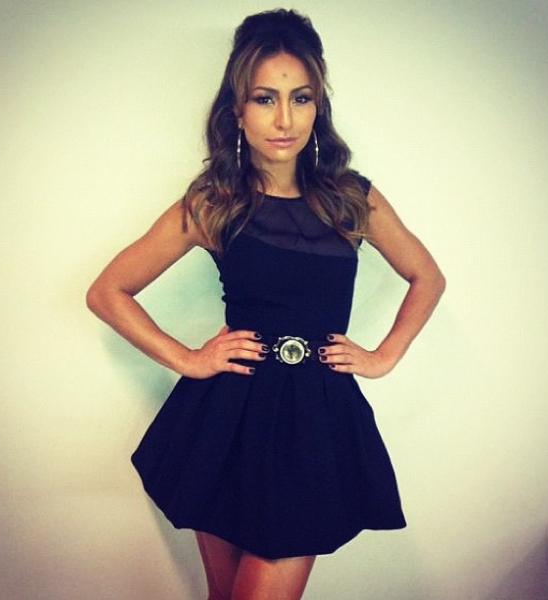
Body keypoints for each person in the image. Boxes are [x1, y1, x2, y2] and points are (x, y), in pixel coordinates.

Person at [87, 8, 445, 600]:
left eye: (301, 98)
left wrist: (384, 356)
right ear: (237, 110)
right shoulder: (214, 202)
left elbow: (426, 276)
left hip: (314, 420)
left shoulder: (352, 198)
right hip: (225, 417)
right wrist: (188, 358)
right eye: (264, 99)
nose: (284, 119)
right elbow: (107, 292)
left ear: (317, 107)